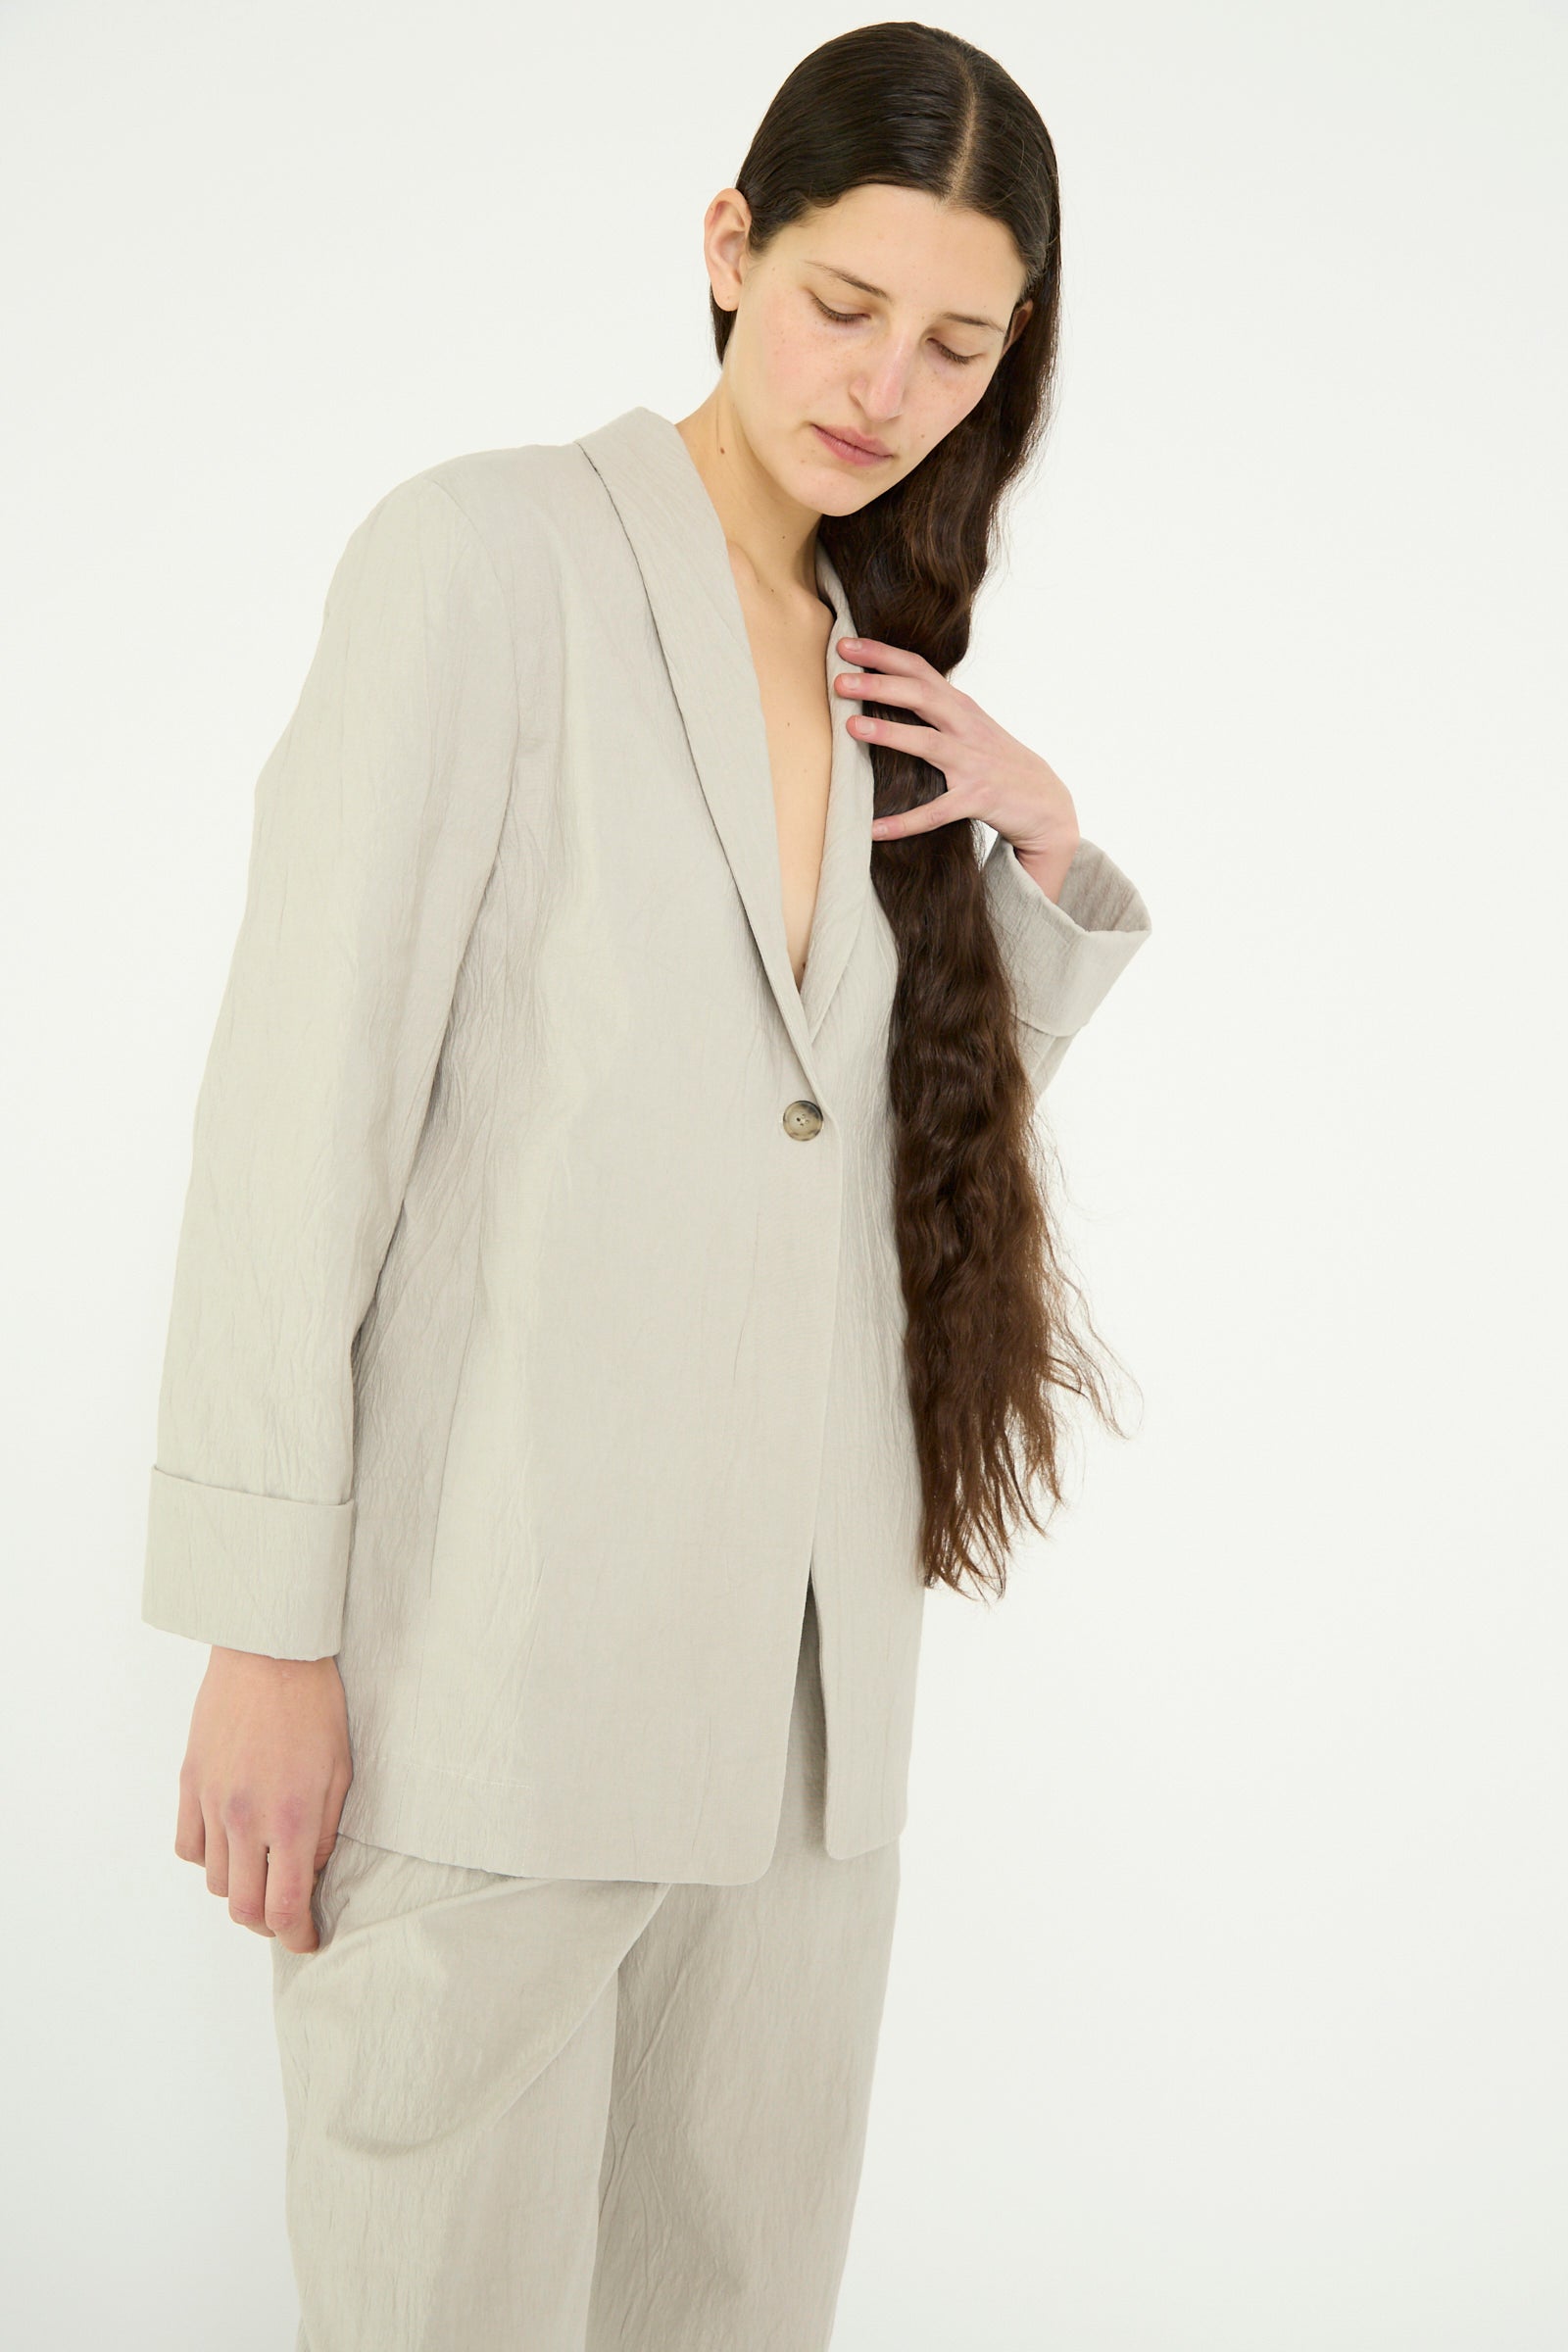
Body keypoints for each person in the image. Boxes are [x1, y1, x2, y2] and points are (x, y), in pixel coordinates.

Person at [141, 23, 1152, 2348]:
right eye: (840, 303)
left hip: (800, 1727)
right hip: (486, 1677)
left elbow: (848, 1148)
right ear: (727, 246)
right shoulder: (480, 559)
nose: (884, 384)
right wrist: (263, 1629)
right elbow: (295, 1107)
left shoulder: (867, 657)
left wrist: (1039, 849)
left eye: (955, 344)